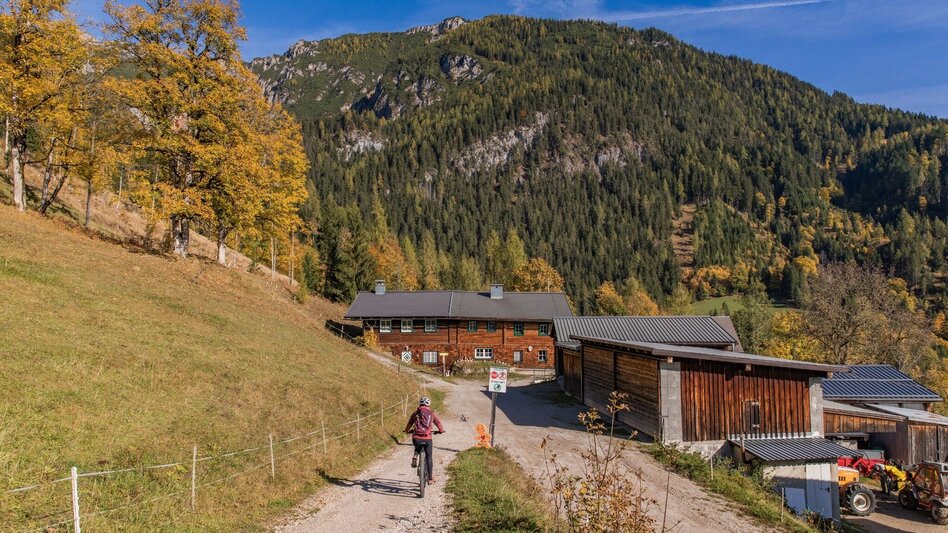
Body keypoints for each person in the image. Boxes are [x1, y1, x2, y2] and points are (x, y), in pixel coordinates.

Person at [405, 396, 444, 484]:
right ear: (428, 405)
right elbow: (438, 423)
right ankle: (430, 479)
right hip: (427, 438)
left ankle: (415, 455)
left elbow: (410, 423)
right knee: (429, 457)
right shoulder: (431, 414)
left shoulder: (415, 413)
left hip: (416, 438)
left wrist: (407, 430)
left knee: (417, 446)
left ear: (420, 403)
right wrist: (440, 430)